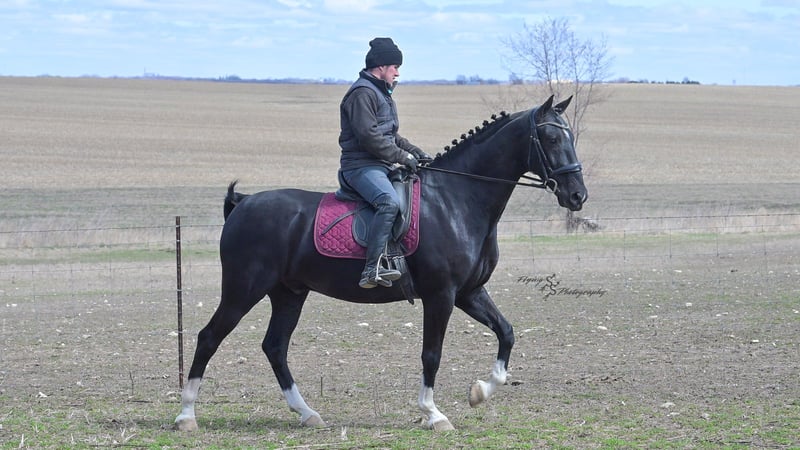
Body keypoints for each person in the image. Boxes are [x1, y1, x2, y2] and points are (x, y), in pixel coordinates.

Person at [338, 37, 431, 289]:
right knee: (388, 202)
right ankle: (372, 268)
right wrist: (403, 158)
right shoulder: (362, 93)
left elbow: (391, 136)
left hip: (381, 165)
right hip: (360, 167)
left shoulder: (381, 93)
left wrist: (416, 152)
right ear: (381, 67)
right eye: (395, 68)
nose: (397, 73)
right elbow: (369, 138)